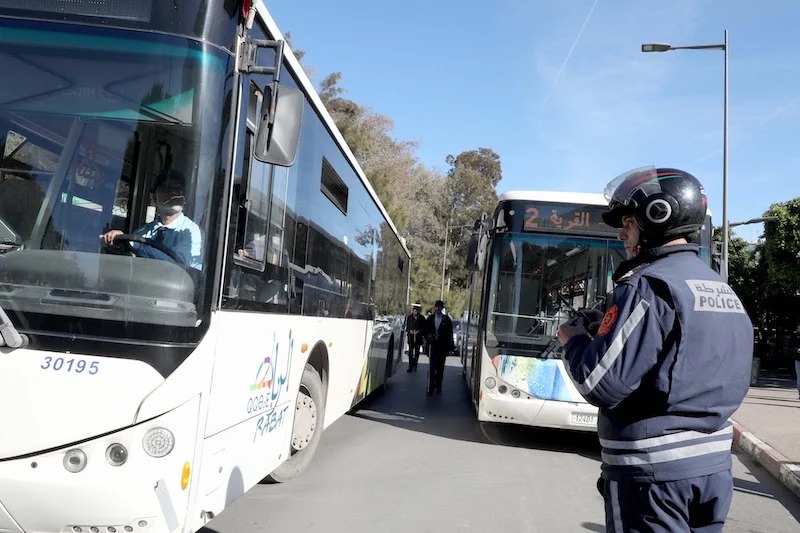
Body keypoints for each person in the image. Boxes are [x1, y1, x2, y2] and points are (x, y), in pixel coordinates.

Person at [556, 166, 753, 532]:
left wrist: (574, 340)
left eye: (628, 223)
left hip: (655, 475)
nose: (621, 234)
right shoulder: (719, 287)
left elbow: (598, 383)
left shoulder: (647, 285)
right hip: (713, 467)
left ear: (658, 216)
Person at [100, 169, 203, 270]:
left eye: (177, 190)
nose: (172, 193)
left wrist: (136, 245)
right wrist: (118, 245)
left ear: (184, 199)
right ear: (154, 198)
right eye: (166, 189)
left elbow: (177, 267)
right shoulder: (141, 232)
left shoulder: (191, 232)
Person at [425, 299, 455, 396]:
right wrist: (428, 336)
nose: (437, 309)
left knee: (440, 368)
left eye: (439, 307)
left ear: (442, 308)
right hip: (432, 346)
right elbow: (425, 331)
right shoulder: (430, 319)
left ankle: (438, 385)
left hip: (442, 347)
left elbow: (450, 334)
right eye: (436, 307)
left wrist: (450, 348)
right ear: (434, 308)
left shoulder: (446, 320)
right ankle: (430, 388)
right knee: (432, 367)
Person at [404, 303, 425, 372]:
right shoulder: (409, 318)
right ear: (412, 311)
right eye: (414, 311)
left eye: (416, 311)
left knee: (416, 352)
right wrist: (410, 331)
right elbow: (407, 327)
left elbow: (424, 328)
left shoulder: (421, 318)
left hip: (418, 338)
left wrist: (419, 331)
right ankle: (410, 366)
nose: (415, 312)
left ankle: (415, 364)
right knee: (410, 352)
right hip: (411, 338)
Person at [790, 323, 800, 399]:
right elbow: (791, 347)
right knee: (799, 377)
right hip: (798, 359)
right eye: (798, 328)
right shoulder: (795, 337)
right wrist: (796, 350)